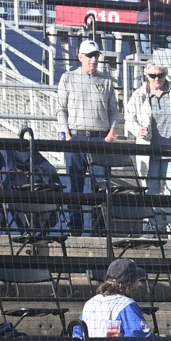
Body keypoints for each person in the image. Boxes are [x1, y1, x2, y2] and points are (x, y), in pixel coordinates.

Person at [56, 38, 120, 238]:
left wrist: (112, 132)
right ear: (80, 57)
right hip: (76, 138)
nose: (93, 59)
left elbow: (114, 111)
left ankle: (100, 231)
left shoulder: (106, 80)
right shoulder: (67, 78)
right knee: (75, 186)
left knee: (102, 187)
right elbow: (60, 108)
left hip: (100, 140)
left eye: (96, 55)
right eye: (90, 55)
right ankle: (75, 230)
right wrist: (64, 133)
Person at [126, 63, 171, 233]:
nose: (157, 79)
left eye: (161, 75)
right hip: (149, 151)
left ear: (165, 74)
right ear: (146, 76)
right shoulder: (138, 95)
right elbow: (129, 119)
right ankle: (152, 229)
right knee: (151, 191)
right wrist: (138, 130)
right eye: (152, 75)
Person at [80, 257, 151, 341]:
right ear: (130, 283)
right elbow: (141, 338)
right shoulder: (126, 304)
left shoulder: (90, 303)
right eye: (137, 278)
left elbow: (78, 334)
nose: (138, 281)